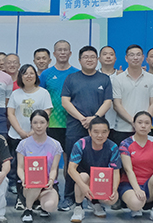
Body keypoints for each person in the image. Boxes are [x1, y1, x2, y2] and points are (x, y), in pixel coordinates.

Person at [61, 46, 112, 211]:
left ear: (97, 59)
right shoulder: (71, 78)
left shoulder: (104, 79)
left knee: (97, 162)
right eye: (85, 57)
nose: (89, 60)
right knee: (72, 162)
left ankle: (95, 198)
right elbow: (65, 101)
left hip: (98, 128)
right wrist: (82, 118)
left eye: (92, 57)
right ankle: (69, 197)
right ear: (79, 60)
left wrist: (94, 119)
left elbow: (108, 102)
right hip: (75, 126)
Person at [7, 64, 53, 206]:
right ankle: (20, 198)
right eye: (25, 73)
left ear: (36, 76)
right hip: (17, 136)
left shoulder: (43, 93)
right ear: (20, 77)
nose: (28, 76)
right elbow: (10, 113)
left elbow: (47, 112)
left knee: (36, 168)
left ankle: (37, 198)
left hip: (37, 136)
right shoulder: (15, 93)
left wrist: (33, 132)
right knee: (18, 167)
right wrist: (21, 132)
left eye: (31, 73)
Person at [67, 116, 121, 223]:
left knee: (112, 200)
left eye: (104, 132)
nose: (100, 135)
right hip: (84, 180)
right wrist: (84, 187)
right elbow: (71, 169)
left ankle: (95, 203)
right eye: (96, 132)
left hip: (101, 181)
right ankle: (78, 207)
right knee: (83, 176)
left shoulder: (113, 147)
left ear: (108, 133)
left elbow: (116, 172)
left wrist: (114, 189)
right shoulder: (81, 144)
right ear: (90, 132)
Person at [117, 112, 153, 223]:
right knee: (136, 204)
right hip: (129, 184)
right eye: (140, 122)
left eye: (147, 123)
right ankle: (136, 206)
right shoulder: (125, 143)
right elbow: (128, 170)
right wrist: (137, 190)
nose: (143, 126)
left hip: (149, 184)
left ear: (151, 126)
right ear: (134, 125)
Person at [39, 40, 79, 172]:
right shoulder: (46, 74)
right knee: (51, 161)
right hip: (52, 124)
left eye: (65, 50)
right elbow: (41, 97)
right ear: (54, 54)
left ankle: (70, 186)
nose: (62, 52)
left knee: (71, 161)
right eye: (59, 50)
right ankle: (52, 184)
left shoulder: (77, 74)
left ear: (70, 53)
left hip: (72, 123)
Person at [16, 110, 62, 223]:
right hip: (28, 186)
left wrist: (51, 180)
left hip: (47, 186)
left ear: (47, 123)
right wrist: (24, 179)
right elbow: (20, 168)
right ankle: (28, 209)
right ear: (31, 124)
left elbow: (54, 169)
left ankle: (42, 205)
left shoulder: (56, 145)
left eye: (42, 122)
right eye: (35, 122)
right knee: (36, 180)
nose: (39, 126)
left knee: (50, 206)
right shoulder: (23, 144)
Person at [111, 45, 153, 145]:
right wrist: (133, 122)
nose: (135, 58)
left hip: (145, 129)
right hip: (122, 129)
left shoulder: (152, 79)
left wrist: (143, 122)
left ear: (143, 58)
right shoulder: (117, 79)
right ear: (126, 58)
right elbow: (117, 105)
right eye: (132, 55)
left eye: (138, 55)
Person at [98, 45, 121, 132]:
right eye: (105, 54)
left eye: (111, 54)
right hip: (97, 123)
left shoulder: (122, 76)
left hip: (118, 124)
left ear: (115, 58)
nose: (108, 57)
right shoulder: (94, 76)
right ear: (99, 59)